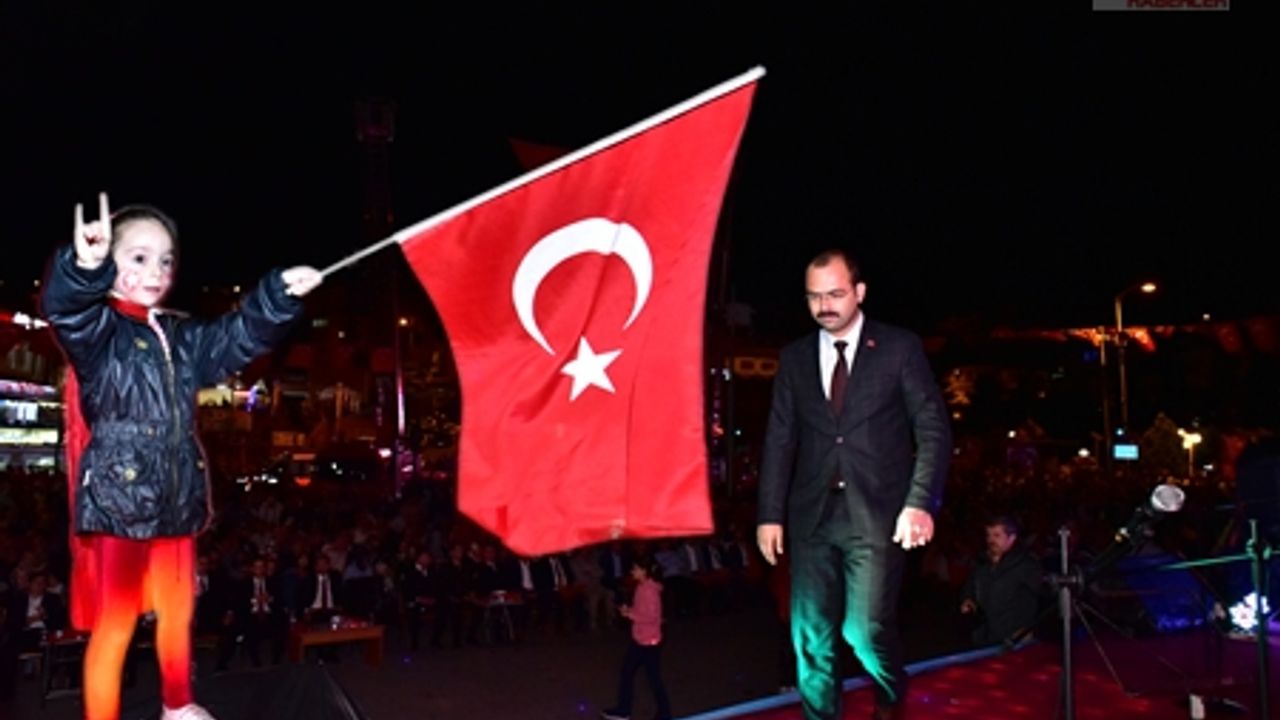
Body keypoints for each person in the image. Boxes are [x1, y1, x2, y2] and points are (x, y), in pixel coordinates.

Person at [40, 193, 322, 720]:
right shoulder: (100, 333)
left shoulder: (179, 334)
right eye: (139, 257)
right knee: (116, 624)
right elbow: (67, 311)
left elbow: (234, 339)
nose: (157, 271)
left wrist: (277, 295)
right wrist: (82, 267)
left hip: (176, 498)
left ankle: (178, 704)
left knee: (178, 611)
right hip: (122, 500)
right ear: (110, 261)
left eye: (166, 259)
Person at [756, 249, 951, 720]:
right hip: (811, 516)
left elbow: (932, 428)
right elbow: (780, 438)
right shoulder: (795, 358)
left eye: (835, 294)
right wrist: (769, 514)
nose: (825, 305)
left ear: (859, 292)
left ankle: (890, 696)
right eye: (814, 297)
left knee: (865, 632)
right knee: (810, 637)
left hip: (878, 514)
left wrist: (920, 503)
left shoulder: (899, 348)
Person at [601, 556, 672, 720]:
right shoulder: (643, 587)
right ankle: (626, 709)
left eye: (635, 568)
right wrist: (630, 610)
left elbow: (652, 617)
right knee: (633, 674)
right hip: (642, 638)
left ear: (644, 571)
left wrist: (630, 614)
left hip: (647, 641)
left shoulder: (649, 591)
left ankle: (656, 711)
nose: (632, 571)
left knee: (650, 678)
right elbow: (644, 611)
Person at [960, 516, 1041, 647]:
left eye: (997, 535)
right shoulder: (982, 564)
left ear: (1011, 538)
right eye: (988, 535)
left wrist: (1025, 630)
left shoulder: (1026, 565)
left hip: (1016, 639)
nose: (991, 540)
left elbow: (1042, 596)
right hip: (986, 636)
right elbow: (970, 587)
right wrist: (968, 599)